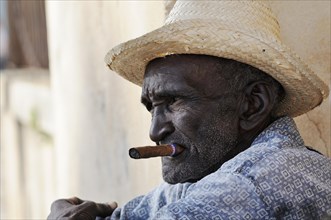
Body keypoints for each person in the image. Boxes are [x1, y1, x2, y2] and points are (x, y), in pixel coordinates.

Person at [48, 1, 331, 219]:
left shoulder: (256, 182)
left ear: (252, 104)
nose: (155, 131)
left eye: (174, 102)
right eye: (151, 107)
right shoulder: (213, 166)